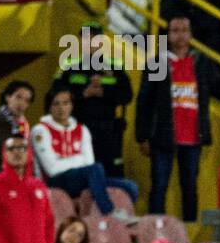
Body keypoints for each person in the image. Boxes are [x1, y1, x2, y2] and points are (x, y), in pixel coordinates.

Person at [135, 15, 212, 219]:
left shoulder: (201, 62)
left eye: (184, 30)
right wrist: (142, 136)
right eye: (175, 30)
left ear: (191, 34)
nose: (180, 35)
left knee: (190, 188)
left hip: (193, 136)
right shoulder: (158, 63)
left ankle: (189, 231)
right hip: (162, 135)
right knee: (159, 186)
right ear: (168, 35)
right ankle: (156, 231)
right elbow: (144, 101)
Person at [32, 85, 140, 219]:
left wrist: (63, 161)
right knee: (95, 169)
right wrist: (79, 159)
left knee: (130, 186)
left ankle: (123, 218)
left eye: (66, 103)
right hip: (53, 182)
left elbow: (89, 162)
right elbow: (52, 169)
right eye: (56, 104)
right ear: (49, 107)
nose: (61, 108)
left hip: (80, 179)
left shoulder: (82, 130)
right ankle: (110, 213)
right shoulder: (40, 130)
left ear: (71, 105)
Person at [53, 27, 135, 177]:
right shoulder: (68, 65)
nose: (89, 43)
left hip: (107, 134)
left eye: (93, 39)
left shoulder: (115, 66)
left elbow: (127, 95)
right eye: (85, 39)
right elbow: (54, 95)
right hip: (76, 130)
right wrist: (83, 94)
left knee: (108, 175)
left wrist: (104, 93)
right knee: (78, 174)